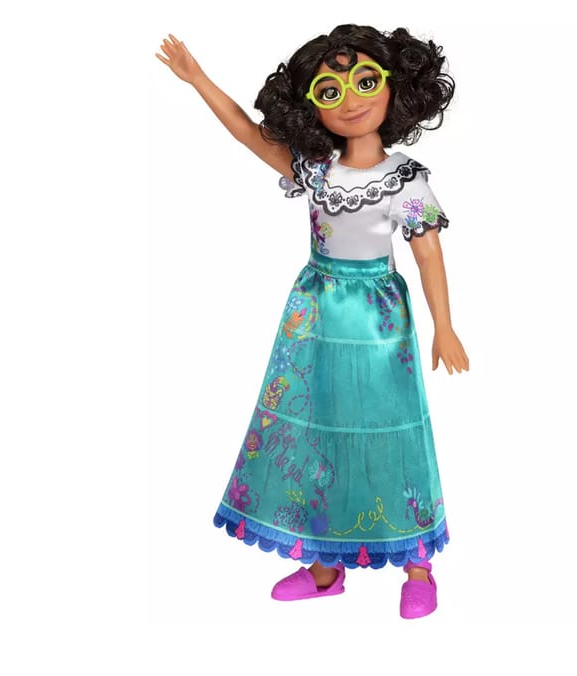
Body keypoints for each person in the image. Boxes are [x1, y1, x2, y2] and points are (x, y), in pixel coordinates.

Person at [156, 24, 469, 619]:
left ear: (397, 87)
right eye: (329, 91)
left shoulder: (404, 178)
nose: (350, 100)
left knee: (390, 427)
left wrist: (444, 325)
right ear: (308, 107)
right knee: (317, 427)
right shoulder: (317, 170)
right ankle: (325, 564)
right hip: (313, 311)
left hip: (377, 320)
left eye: (365, 82)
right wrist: (198, 80)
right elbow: (247, 133)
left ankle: (417, 563)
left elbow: (428, 252)